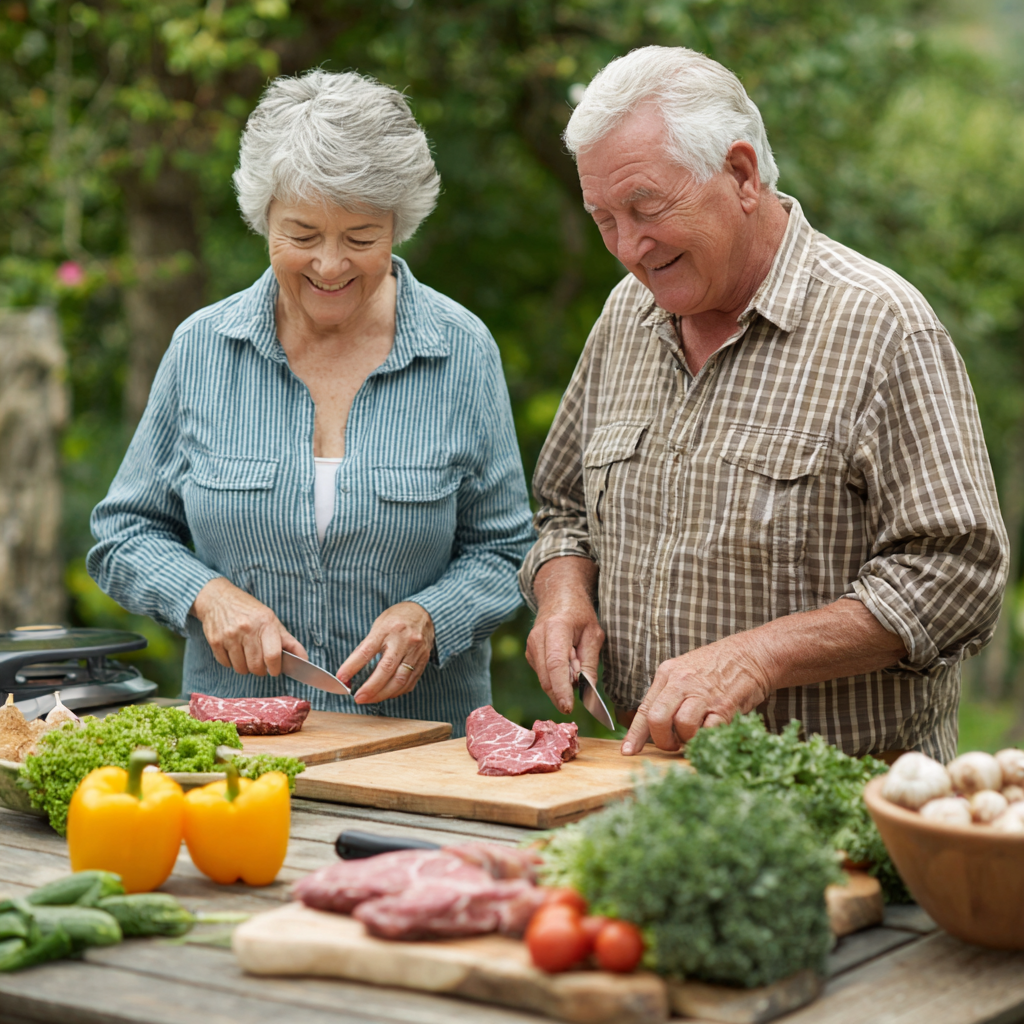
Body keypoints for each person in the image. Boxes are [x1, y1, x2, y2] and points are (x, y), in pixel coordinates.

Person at [520, 46, 1007, 762]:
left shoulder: (881, 325)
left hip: (833, 810)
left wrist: (760, 657)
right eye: (604, 219)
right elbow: (562, 511)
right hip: (643, 794)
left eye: (645, 207)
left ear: (742, 175)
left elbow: (958, 575)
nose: (627, 246)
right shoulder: (626, 314)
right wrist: (563, 593)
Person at [89, 71, 534, 734]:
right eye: (301, 236)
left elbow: (507, 552)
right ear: (262, 217)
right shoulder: (203, 349)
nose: (330, 266)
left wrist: (432, 617)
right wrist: (206, 597)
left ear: (399, 224)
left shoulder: (461, 350)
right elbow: (124, 535)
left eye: (360, 239)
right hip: (236, 750)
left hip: (417, 754)